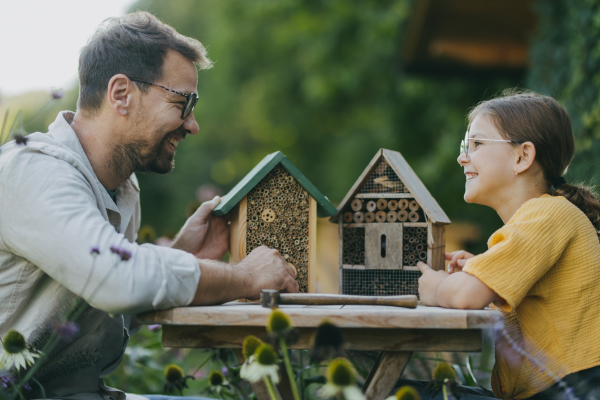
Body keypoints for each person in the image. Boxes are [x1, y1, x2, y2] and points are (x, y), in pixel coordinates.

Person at [0, 11, 297, 400]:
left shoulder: (122, 189)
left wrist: (183, 254)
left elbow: (105, 301)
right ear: (121, 94)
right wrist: (244, 276)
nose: (192, 124)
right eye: (183, 102)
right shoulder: (31, 170)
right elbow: (114, 280)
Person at [411, 91, 600, 399]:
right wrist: (483, 275)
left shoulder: (546, 214)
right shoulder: (543, 218)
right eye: (465, 146)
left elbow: (464, 297)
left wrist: (435, 287)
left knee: (403, 393)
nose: (462, 158)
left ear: (522, 156)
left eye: (477, 144)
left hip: (574, 392)